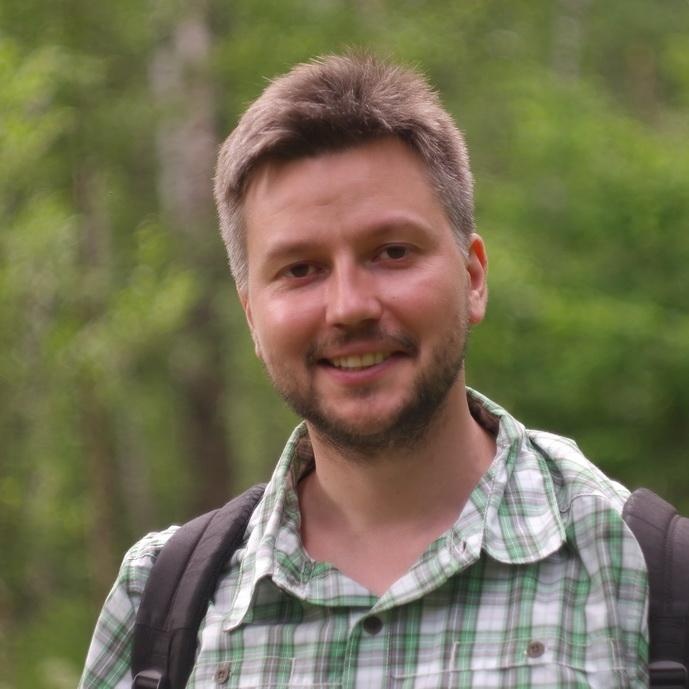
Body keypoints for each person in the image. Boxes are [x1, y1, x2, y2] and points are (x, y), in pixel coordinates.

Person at [79, 53, 649, 688]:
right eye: (300, 269)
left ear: (472, 278)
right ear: (252, 317)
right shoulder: (159, 604)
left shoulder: (645, 577)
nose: (349, 307)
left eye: (392, 252)